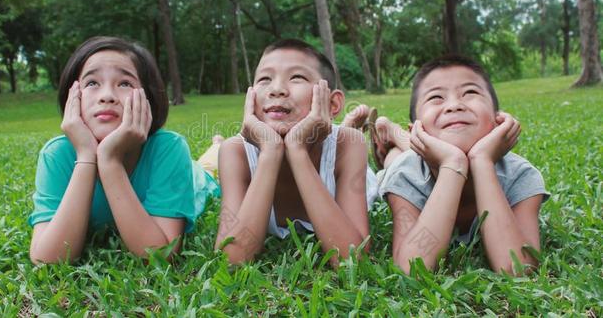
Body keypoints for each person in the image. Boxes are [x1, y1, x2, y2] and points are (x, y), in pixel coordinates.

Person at [28, 36, 202, 264]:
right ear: (72, 98)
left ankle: (215, 147)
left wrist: (109, 161)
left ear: (148, 98)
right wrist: (86, 156)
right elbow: (48, 259)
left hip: (198, 181)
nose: (107, 95)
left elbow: (161, 255)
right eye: (92, 83)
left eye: (124, 83)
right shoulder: (56, 155)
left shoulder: (168, 149)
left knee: (206, 168)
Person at [374, 54, 548, 274]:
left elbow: (517, 269)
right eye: (436, 97)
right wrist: (452, 163)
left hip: (419, 154)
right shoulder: (405, 175)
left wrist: (482, 160)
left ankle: (391, 134)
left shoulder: (521, 176)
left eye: (470, 93)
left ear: (499, 120)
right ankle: (392, 139)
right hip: (406, 161)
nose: (454, 105)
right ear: (417, 131)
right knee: (393, 162)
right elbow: (412, 269)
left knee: (399, 158)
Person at [215, 39, 377, 266]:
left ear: (332, 104)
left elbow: (352, 260)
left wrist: (297, 150)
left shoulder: (349, 145)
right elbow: (232, 260)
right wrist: (270, 152)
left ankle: (376, 137)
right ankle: (215, 142)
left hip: (358, 175)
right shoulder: (235, 152)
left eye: (296, 78)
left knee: (379, 169)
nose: (277, 89)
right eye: (264, 79)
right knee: (218, 149)